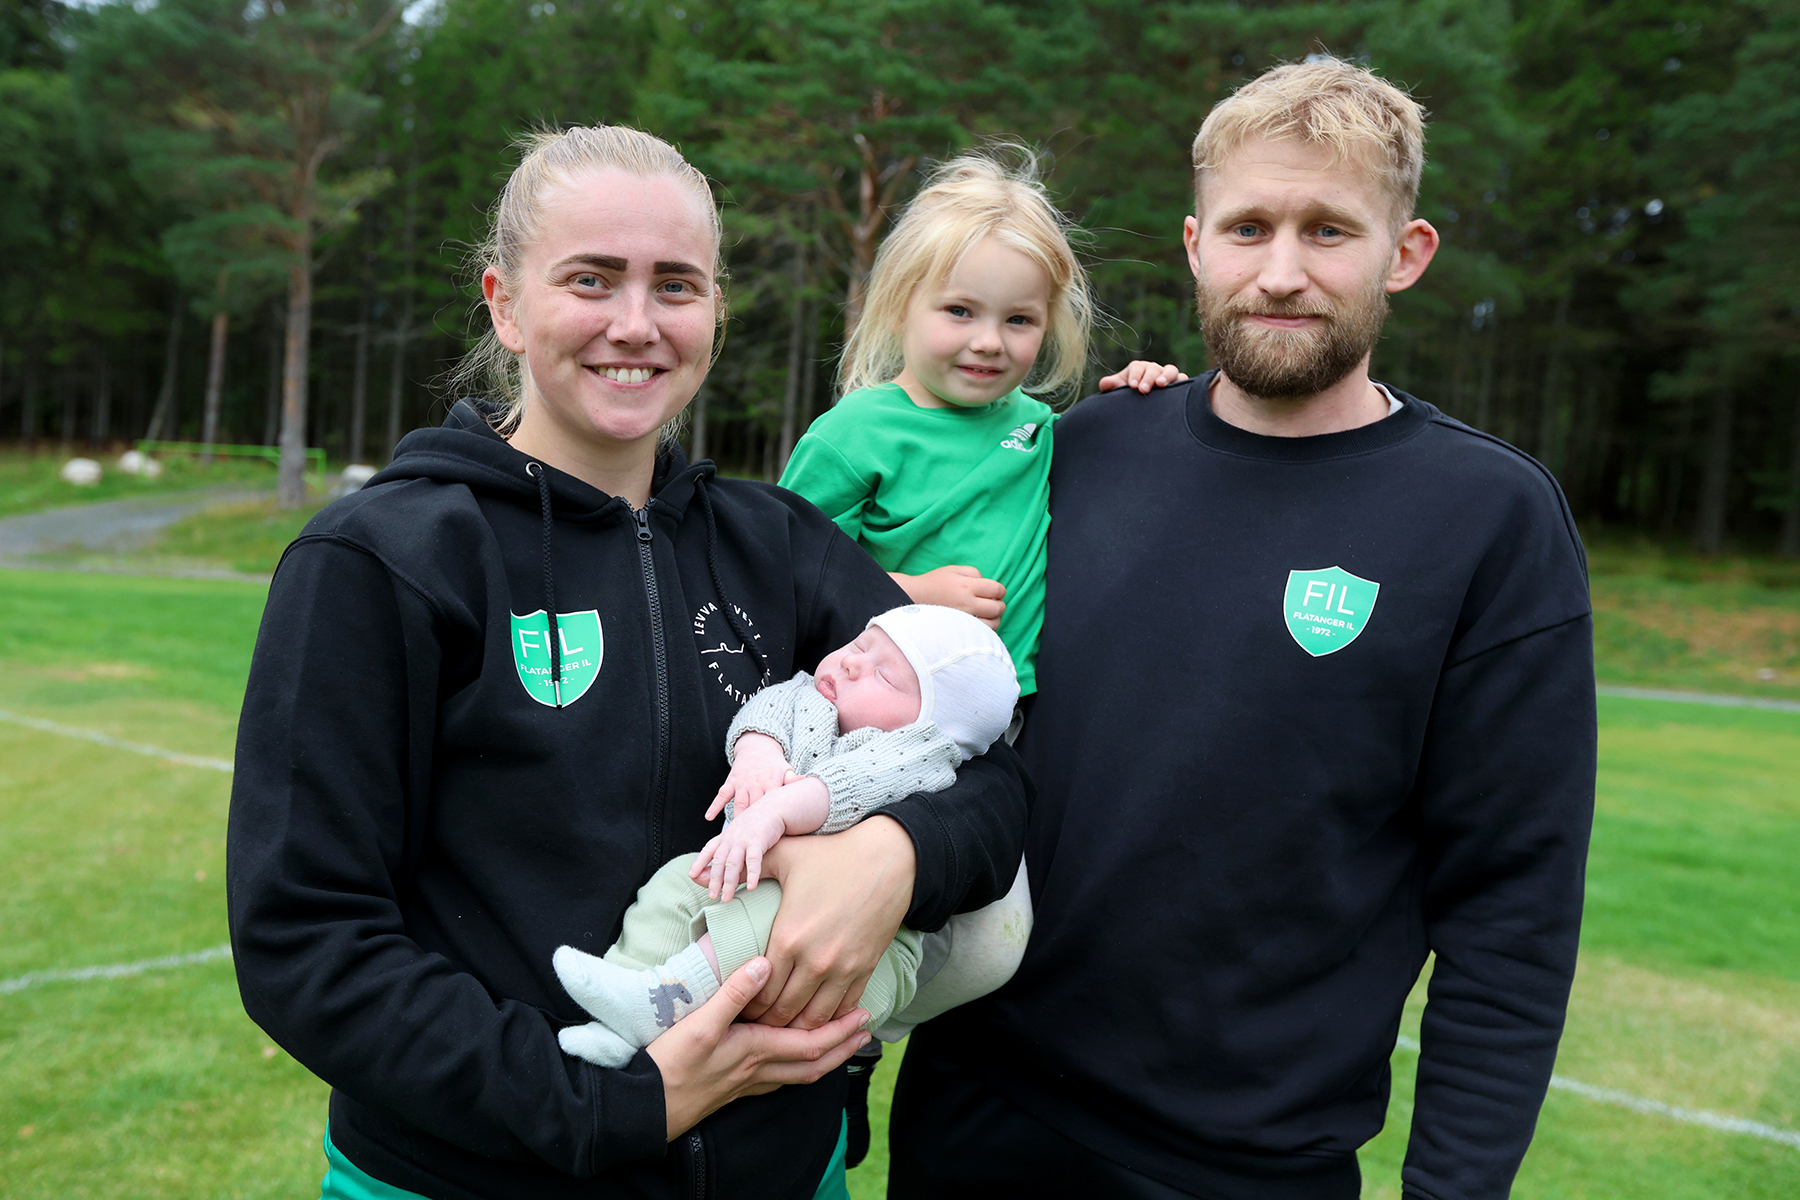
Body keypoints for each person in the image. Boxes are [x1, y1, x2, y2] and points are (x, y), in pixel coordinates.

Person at [225, 125, 1028, 1200]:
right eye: (592, 280)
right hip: (476, 1176)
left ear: (715, 312)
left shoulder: (779, 546)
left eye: (676, 285)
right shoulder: (382, 558)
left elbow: (992, 767)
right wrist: (623, 1103)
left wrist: (897, 855)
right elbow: (305, 938)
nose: (636, 325)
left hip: (782, 1171)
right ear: (505, 303)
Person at [889, 57, 1597, 1200]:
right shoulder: (1079, 454)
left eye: (1328, 231)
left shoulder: (1487, 518)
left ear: (1404, 255)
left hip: (1246, 1164)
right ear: (1193, 244)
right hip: (976, 1109)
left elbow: (1512, 902)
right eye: (1248, 226)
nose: (1280, 272)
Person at [775, 153, 1176, 1155]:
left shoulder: (1040, 431)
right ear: (900, 303)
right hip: (868, 728)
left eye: (1019, 320)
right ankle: (792, 1052)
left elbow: (1116, 454)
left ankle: (853, 1041)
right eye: (960, 311)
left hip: (990, 740)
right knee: (816, 915)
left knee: (990, 948)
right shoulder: (858, 429)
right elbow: (774, 578)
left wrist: (1145, 393)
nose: (989, 343)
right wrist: (908, 595)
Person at [550, 603, 1023, 1067]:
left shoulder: (918, 756)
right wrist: (758, 754)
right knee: (679, 882)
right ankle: (621, 1009)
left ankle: (656, 1003)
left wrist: (775, 812)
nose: (852, 663)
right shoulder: (809, 695)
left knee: (770, 915)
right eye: (860, 644)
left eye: (885, 675)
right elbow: (766, 713)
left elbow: (850, 786)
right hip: (757, 880)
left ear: (933, 728)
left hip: (866, 955)